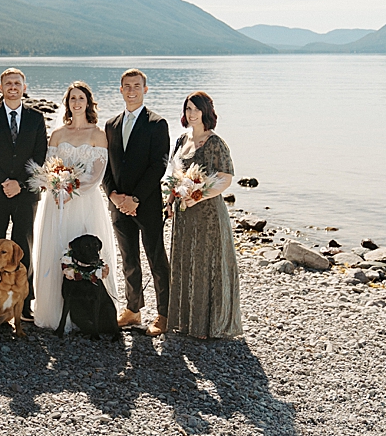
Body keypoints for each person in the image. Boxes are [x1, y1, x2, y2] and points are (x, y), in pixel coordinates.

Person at [32, 82, 120, 331]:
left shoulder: (97, 134)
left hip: (84, 201)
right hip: (57, 202)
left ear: (88, 102)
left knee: (85, 251)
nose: (76, 102)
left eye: (81, 98)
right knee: (56, 248)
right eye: (72, 98)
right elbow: (49, 168)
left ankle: (93, 315)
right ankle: (56, 313)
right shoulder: (58, 134)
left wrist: (74, 191)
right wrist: (57, 187)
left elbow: (97, 173)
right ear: (67, 103)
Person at [0, 68, 48, 321]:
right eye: (8, 83)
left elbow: (39, 155)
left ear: (24, 87)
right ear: (1, 87)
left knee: (22, 245)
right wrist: (5, 181)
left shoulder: (36, 118)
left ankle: (23, 303)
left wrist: (20, 183)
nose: (13, 87)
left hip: (25, 192)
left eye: (17, 83)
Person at [167, 91, 242, 339]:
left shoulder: (216, 143)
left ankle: (206, 325)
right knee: (184, 262)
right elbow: (173, 174)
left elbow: (226, 179)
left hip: (208, 213)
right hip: (183, 213)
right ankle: (185, 322)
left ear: (206, 112)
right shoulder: (181, 140)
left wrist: (199, 194)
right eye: (188, 108)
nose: (192, 114)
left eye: (196, 109)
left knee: (206, 264)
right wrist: (170, 199)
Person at [103, 68, 171, 336]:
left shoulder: (157, 123)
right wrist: (113, 195)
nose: (132, 90)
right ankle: (133, 310)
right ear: (120, 90)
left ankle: (164, 313)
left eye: (137, 86)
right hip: (118, 205)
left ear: (145, 89)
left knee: (156, 258)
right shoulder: (111, 125)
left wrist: (135, 199)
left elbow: (159, 165)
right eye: (127, 86)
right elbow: (105, 166)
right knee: (129, 258)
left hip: (148, 204)